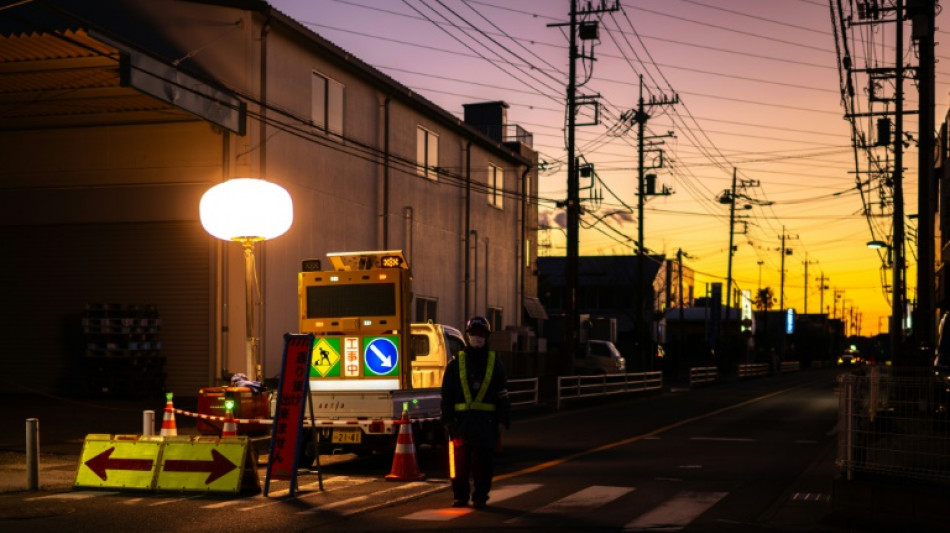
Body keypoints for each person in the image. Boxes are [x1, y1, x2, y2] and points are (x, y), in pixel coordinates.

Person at [440, 316, 510, 509]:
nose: (477, 338)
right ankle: (460, 497)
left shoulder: (495, 363)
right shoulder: (455, 363)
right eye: (474, 334)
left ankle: (480, 497)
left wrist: (504, 419)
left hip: (486, 424)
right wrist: (447, 420)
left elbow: (502, 394)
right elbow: (447, 394)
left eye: (481, 334)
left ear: (486, 337)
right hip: (460, 423)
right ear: (468, 336)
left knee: (483, 465)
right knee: (459, 466)